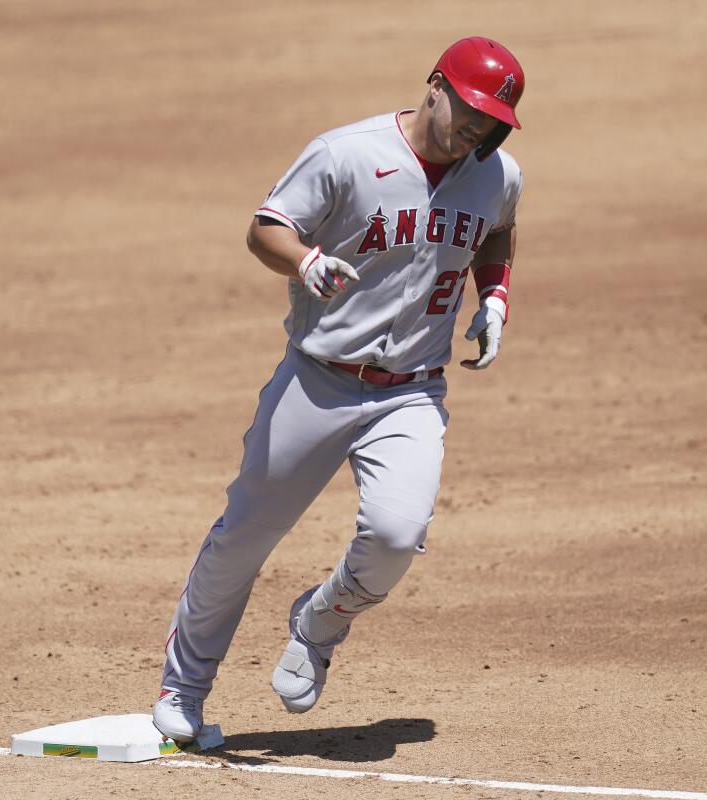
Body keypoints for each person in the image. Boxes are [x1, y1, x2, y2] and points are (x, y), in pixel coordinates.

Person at [151, 37, 526, 742]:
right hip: (318, 381)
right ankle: (185, 687)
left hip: (412, 393)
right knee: (244, 537)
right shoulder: (346, 154)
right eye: (470, 114)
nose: (477, 132)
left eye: (492, 124)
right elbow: (266, 230)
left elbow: (498, 233)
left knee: (395, 534)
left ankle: (320, 622)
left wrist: (496, 298)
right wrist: (305, 263)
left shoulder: (497, 174)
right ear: (436, 87)